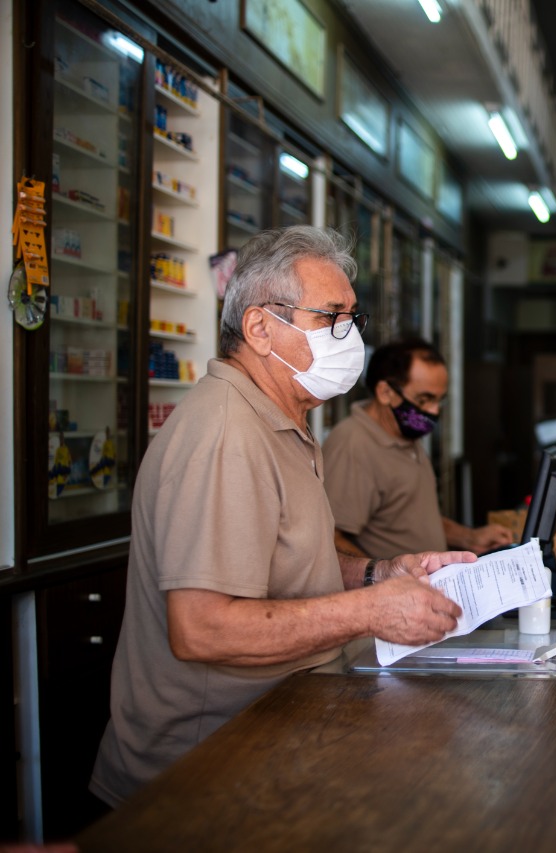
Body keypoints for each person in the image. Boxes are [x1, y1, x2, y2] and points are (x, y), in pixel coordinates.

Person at [90, 226, 476, 808]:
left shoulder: (283, 422)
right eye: (330, 318)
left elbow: (288, 562)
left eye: (353, 319)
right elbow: (201, 628)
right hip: (197, 780)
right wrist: (368, 611)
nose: (349, 338)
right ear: (260, 328)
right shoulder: (225, 434)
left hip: (276, 739)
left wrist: (382, 575)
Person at [323, 338, 513, 558]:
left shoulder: (404, 434)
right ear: (385, 392)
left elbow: (410, 517)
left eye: (439, 401)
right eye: (424, 400)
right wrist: (381, 577)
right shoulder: (352, 444)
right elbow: (331, 540)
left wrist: (468, 537)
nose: (433, 411)